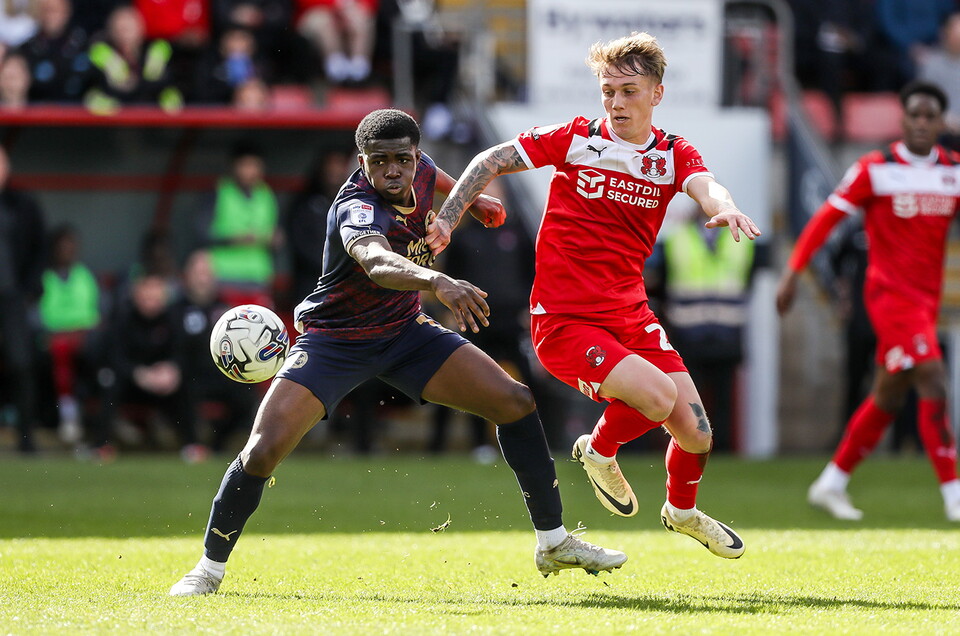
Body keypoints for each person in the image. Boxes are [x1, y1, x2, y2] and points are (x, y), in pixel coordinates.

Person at [169, 109, 626, 596]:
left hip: (405, 331)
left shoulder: (420, 168)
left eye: (401, 160)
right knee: (261, 450)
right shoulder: (355, 205)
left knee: (515, 401)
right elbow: (376, 261)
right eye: (379, 161)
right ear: (361, 161)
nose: (393, 171)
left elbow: (437, 176)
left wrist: (469, 202)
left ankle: (553, 542)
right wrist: (437, 280)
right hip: (335, 340)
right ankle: (208, 569)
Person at [427, 32, 759, 559]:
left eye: (628, 90)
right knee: (656, 399)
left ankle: (681, 511)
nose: (616, 102)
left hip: (630, 313)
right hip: (564, 320)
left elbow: (705, 186)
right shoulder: (577, 137)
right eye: (608, 91)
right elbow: (490, 159)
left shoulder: (673, 154)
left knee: (697, 434)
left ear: (657, 94)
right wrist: (448, 219)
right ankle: (598, 450)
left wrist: (728, 204)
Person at [777, 80, 960, 522]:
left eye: (928, 116)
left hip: (925, 299)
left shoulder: (953, 170)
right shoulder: (874, 168)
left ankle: (832, 482)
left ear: (940, 122)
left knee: (889, 395)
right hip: (888, 297)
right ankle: (955, 496)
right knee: (933, 378)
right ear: (902, 119)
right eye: (912, 114)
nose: (919, 122)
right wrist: (792, 273)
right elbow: (825, 219)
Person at [658, 200, 755, 453]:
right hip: (688, 334)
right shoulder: (677, 238)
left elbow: (748, 281)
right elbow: (664, 283)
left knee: (724, 399)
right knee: (690, 400)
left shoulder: (740, 240)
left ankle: (722, 451)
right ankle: (690, 449)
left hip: (726, 332)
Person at [0, 144, 46, 453]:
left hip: (11, 297)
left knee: (21, 363)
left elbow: (39, 249)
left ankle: (26, 437)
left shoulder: (22, 205)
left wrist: (29, 290)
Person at [38, 223, 101, 445]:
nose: (66, 250)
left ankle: (94, 417)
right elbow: (45, 314)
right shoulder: (45, 277)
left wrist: (77, 330)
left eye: (70, 246)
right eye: (62, 246)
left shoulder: (84, 276)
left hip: (82, 337)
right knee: (59, 348)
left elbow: (91, 314)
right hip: (54, 338)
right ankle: (69, 414)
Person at [199, 140, 281, 307]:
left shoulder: (266, 195)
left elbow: (274, 232)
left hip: (258, 277)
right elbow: (201, 233)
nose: (250, 171)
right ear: (233, 166)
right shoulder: (219, 191)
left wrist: (275, 239)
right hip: (224, 276)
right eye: (245, 165)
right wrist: (234, 240)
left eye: (254, 166)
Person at [84, 5, 183, 113]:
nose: (124, 35)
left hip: (151, 121)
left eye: (129, 29)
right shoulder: (100, 57)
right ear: (111, 31)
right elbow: (91, 93)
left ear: (141, 28)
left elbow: (169, 90)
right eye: (120, 29)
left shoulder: (156, 54)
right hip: (116, 123)